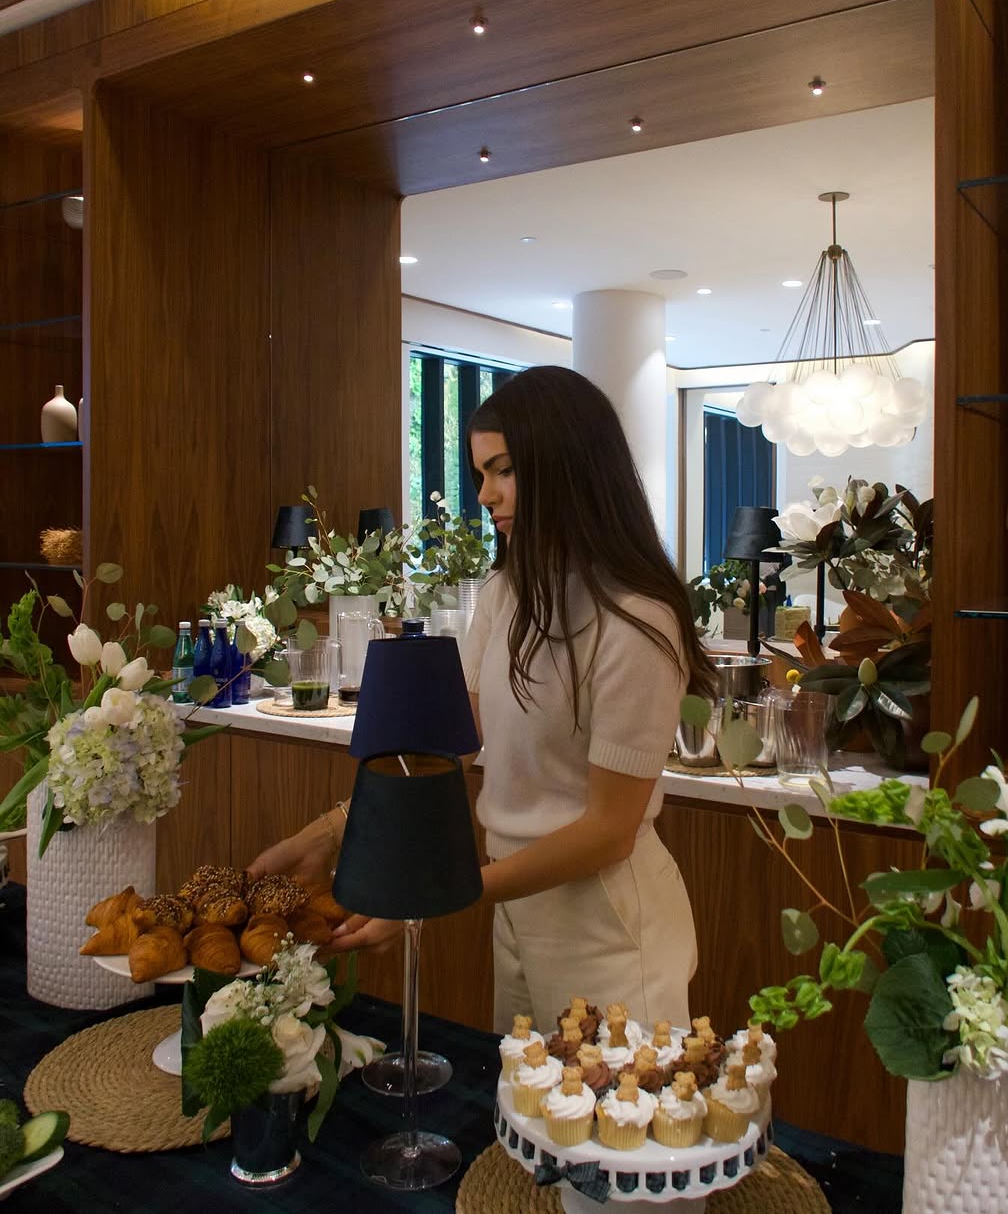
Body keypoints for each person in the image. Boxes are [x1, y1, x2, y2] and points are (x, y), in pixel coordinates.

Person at [249, 365, 717, 1033]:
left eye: (504, 470)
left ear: (569, 467)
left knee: (597, 1099)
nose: (486, 495)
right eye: (480, 474)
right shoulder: (507, 592)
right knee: (519, 1094)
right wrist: (331, 832)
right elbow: (449, 748)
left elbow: (609, 831)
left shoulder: (639, 619)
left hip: (608, 923)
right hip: (514, 902)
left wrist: (433, 894)